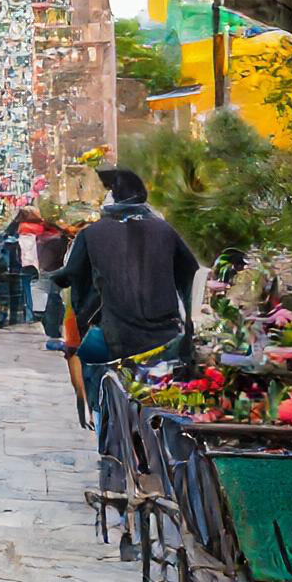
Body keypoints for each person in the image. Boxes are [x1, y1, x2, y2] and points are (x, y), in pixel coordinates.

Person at [53, 167, 200, 407]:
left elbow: (71, 277)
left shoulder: (91, 234)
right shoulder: (165, 230)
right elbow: (189, 271)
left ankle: (98, 418)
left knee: (88, 362)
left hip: (117, 335)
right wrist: (188, 325)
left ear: (113, 197)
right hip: (166, 333)